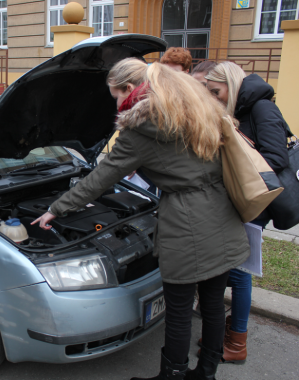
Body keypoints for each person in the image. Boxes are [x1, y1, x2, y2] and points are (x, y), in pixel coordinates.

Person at [31, 58, 250, 380]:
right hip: (222, 210)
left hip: (186, 222)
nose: (116, 103)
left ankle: (172, 374)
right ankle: (206, 372)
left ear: (130, 89)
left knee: (178, 310)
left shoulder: (141, 129)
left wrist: (56, 209)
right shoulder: (193, 106)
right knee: (214, 303)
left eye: (115, 96)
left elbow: (100, 179)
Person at [203, 62, 289, 365]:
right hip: (241, 200)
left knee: (239, 271)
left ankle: (237, 341)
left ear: (231, 84)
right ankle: (228, 333)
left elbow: (276, 159)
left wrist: (238, 146)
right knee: (231, 268)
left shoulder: (262, 108)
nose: (213, 98)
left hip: (256, 202)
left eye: (216, 91)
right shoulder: (241, 107)